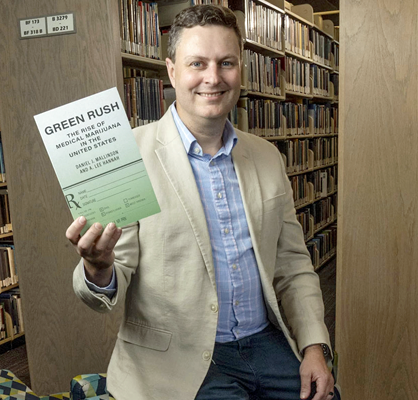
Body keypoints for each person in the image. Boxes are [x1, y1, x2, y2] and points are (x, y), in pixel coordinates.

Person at [67, 5, 334, 400]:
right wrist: (97, 267)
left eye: (226, 63)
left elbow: (293, 265)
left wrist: (314, 348)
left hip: (265, 344)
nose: (213, 77)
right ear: (172, 70)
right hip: (179, 360)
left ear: (240, 69)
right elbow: (107, 283)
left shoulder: (267, 158)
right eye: (197, 63)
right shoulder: (122, 158)